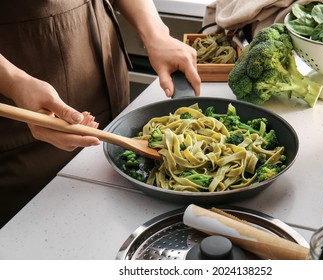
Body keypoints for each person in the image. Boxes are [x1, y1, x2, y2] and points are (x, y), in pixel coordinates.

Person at [0, 0, 201, 227]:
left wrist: (155, 32)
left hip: (105, 77)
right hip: (27, 117)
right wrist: (15, 83)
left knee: (116, 220)